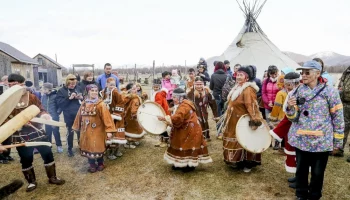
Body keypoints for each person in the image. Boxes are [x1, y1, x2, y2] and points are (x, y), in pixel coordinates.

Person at [285, 60, 344, 200]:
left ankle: (314, 196)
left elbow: (338, 118)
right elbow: (292, 118)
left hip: (321, 141)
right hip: (301, 139)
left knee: (318, 172)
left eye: (307, 72)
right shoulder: (297, 91)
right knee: (301, 170)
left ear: (317, 73)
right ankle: (301, 194)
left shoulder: (330, 92)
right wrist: (290, 107)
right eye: (302, 73)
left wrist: (338, 142)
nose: (303, 76)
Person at [4, 73, 65, 192]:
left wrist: (45, 115)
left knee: (47, 153)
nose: (13, 88)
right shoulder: (6, 101)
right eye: (10, 85)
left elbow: (40, 108)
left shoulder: (31, 97)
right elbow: (4, 118)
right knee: (26, 158)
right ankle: (31, 182)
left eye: (15, 85)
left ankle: (52, 177)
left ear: (22, 85)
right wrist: (18, 123)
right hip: (19, 133)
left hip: (36, 130)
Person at [158, 88, 213, 172]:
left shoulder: (184, 106)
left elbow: (177, 118)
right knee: (180, 144)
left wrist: (164, 118)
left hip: (189, 130)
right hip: (186, 128)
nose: (173, 99)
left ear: (181, 97)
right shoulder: (184, 104)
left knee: (187, 145)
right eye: (173, 97)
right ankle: (179, 163)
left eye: (175, 97)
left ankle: (189, 165)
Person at [221, 66, 263, 173]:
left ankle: (247, 163)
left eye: (241, 75)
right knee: (236, 140)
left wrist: (255, 120)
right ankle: (236, 160)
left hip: (242, 122)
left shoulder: (248, 89)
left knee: (244, 141)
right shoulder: (237, 87)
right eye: (237, 74)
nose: (238, 77)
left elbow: (252, 105)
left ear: (247, 78)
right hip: (233, 121)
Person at [73, 84, 116, 173]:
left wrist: (109, 130)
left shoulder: (101, 104)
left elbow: (107, 118)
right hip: (86, 131)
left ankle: (100, 163)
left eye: (96, 91)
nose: (94, 92)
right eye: (92, 91)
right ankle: (92, 164)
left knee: (98, 146)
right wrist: (76, 126)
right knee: (88, 146)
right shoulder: (84, 104)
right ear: (88, 92)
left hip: (98, 130)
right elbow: (78, 116)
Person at [269, 72, 301, 189]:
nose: (286, 86)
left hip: (299, 129)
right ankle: (298, 176)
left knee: (299, 155)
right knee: (293, 153)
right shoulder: (290, 93)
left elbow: (292, 114)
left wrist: (277, 130)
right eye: (285, 84)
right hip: (291, 128)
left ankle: (301, 179)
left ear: (296, 83)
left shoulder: (299, 94)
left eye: (289, 84)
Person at [56, 74, 83, 157]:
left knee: (80, 131)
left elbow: (84, 98)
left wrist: (80, 98)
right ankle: (69, 149)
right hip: (68, 115)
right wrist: (69, 98)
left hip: (78, 113)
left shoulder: (78, 88)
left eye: (74, 84)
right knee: (70, 132)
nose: (73, 85)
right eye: (71, 84)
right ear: (67, 83)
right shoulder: (61, 91)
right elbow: (60, 104)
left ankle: (81, 146)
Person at [100, 77, 127, 159]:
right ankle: (109, 152)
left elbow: (121, 102)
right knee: (108, 133)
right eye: (110, 84)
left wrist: (116, 114)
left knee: (116, 133)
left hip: (115, 116)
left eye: (114, 85)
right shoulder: (103, 92)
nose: (112, 86)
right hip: (107, 116)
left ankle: (116, 150)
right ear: (106, 84)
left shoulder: (115, 92)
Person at [187, 77, 218, 141]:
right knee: (196, 123)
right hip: (194, 113)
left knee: (205, 122)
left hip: (204, 112)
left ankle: (206, 136)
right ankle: (197, 137)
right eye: (197, 84)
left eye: (200, 84)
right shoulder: (190, 93)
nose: (199, 86)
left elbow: (213, 104)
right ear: (194, 84)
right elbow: (186, 104)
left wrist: (215, 115)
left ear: (203, 84)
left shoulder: (207, 92)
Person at [41, 83, 63, 153]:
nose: (42, 90)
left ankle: (59, 145)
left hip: (54, 116)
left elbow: (60, 105)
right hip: (46, 117)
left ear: (48, 89)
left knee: (56, 131)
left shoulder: (55, 96)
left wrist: (57, 112)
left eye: (43, 89)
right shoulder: (43, 96)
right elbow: (42, 105)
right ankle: (49, 145)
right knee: (48, 132)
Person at [123, 83, 146, 148]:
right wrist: (136, 115)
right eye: (133, 89)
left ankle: (128, 141)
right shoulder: (135, 99)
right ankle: (129, 142)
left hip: (127, 116)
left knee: (128, 129)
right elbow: (134, 110)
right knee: (133, 129)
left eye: (136, 88)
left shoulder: (126, 97)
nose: (136, 90)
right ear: (129, 90)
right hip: (132, 117)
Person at [152, 79, 170, 148]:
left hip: (162, 112)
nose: (156, 88)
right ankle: (161, 140)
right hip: (159, 111)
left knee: (163, 127)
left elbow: (158, 104)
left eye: (157, 87)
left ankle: (165, 141)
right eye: (154, 87)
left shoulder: (158, 94)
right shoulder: (155, 93)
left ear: (159, 87)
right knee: (159, 126)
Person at [338, 66, 350, 162]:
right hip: (345, 103)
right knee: (344, 126)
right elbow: (341, 83)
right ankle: (339, 149)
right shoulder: (347, 71)